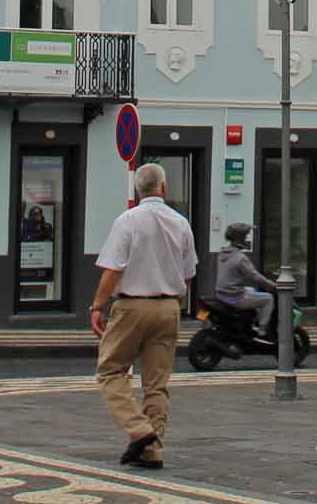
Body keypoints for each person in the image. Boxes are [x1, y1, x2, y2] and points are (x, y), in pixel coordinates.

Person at [89, 162, 196, 472]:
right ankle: (152, 452)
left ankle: (139, 430)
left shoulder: (127, 220)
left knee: (110, 370)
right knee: (157, 383)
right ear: (164, 188)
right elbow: (188, 273)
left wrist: (97, 306)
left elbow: (114, 269)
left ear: (138, 190)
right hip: (169, 307)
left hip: (132, 306)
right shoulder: (180, 223)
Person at [214, 222, 276, 339]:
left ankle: (251, 321)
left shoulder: (222, 253)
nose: (247, 239)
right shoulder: (240, 257)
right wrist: (271, 285)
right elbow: (255, 276)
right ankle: (262, 330)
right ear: (240, 238)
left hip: (222, 293)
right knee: (269, 298)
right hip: (235, 297)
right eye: (245, 236)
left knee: (251, 289)